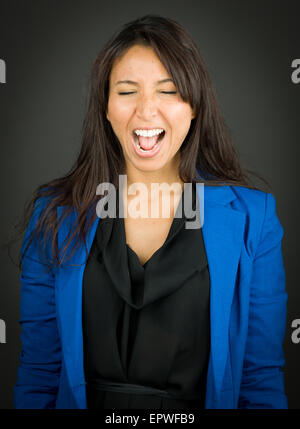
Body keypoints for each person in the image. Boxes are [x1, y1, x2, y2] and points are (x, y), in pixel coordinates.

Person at [13, 14, 288, 409]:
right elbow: (39, 374)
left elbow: (259, 380)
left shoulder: (253, 220)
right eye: (127, 91)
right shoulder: (54, 216)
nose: (146, 111)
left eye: (168, 90)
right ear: (105, 108)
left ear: (194, 106)